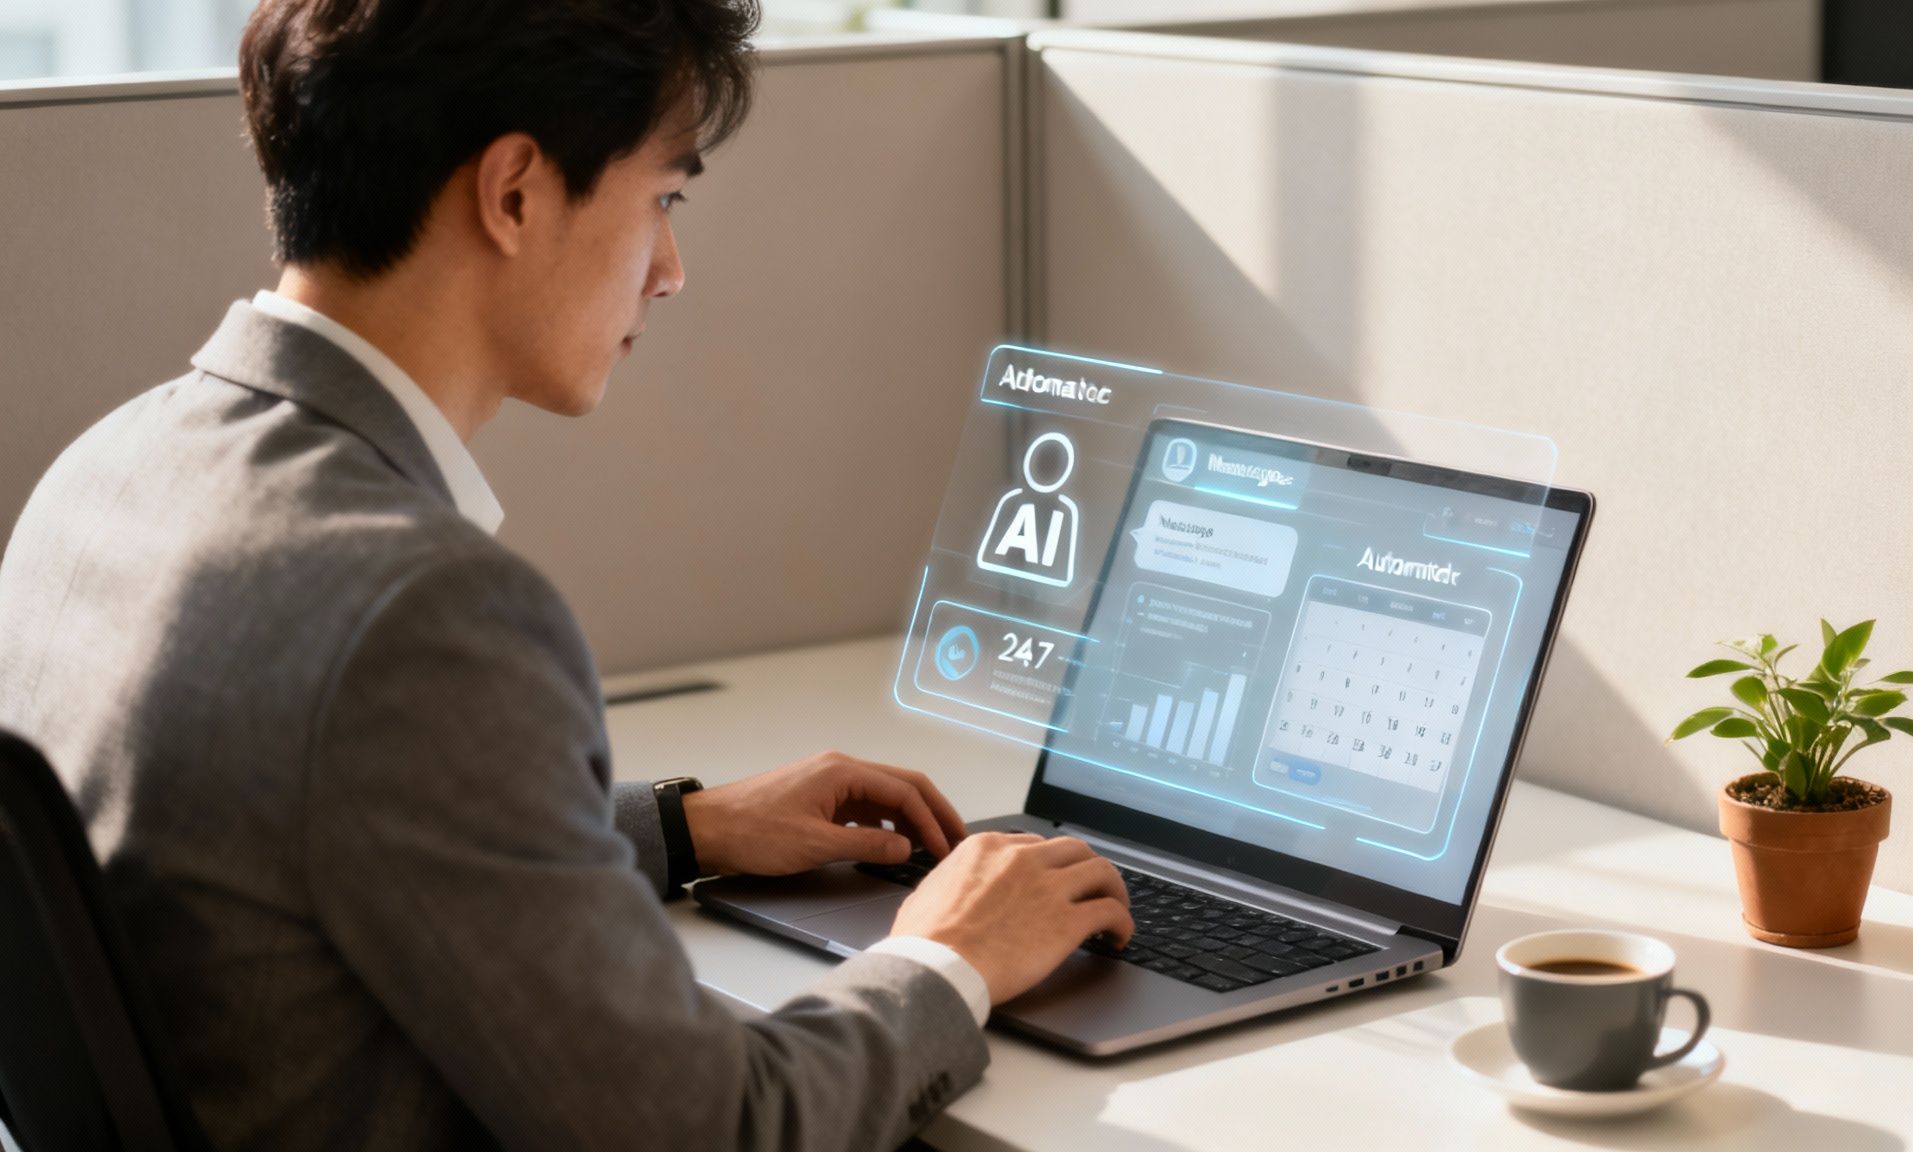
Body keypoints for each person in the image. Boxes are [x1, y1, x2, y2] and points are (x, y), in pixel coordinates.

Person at [0, 1, 1132, 1148]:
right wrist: (948, 956)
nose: (670, 272)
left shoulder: (104, 472)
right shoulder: (418, 613)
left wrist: (686, 827)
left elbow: (315, 826)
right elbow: (716, 1131)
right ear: (514, 194)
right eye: (664, 199)